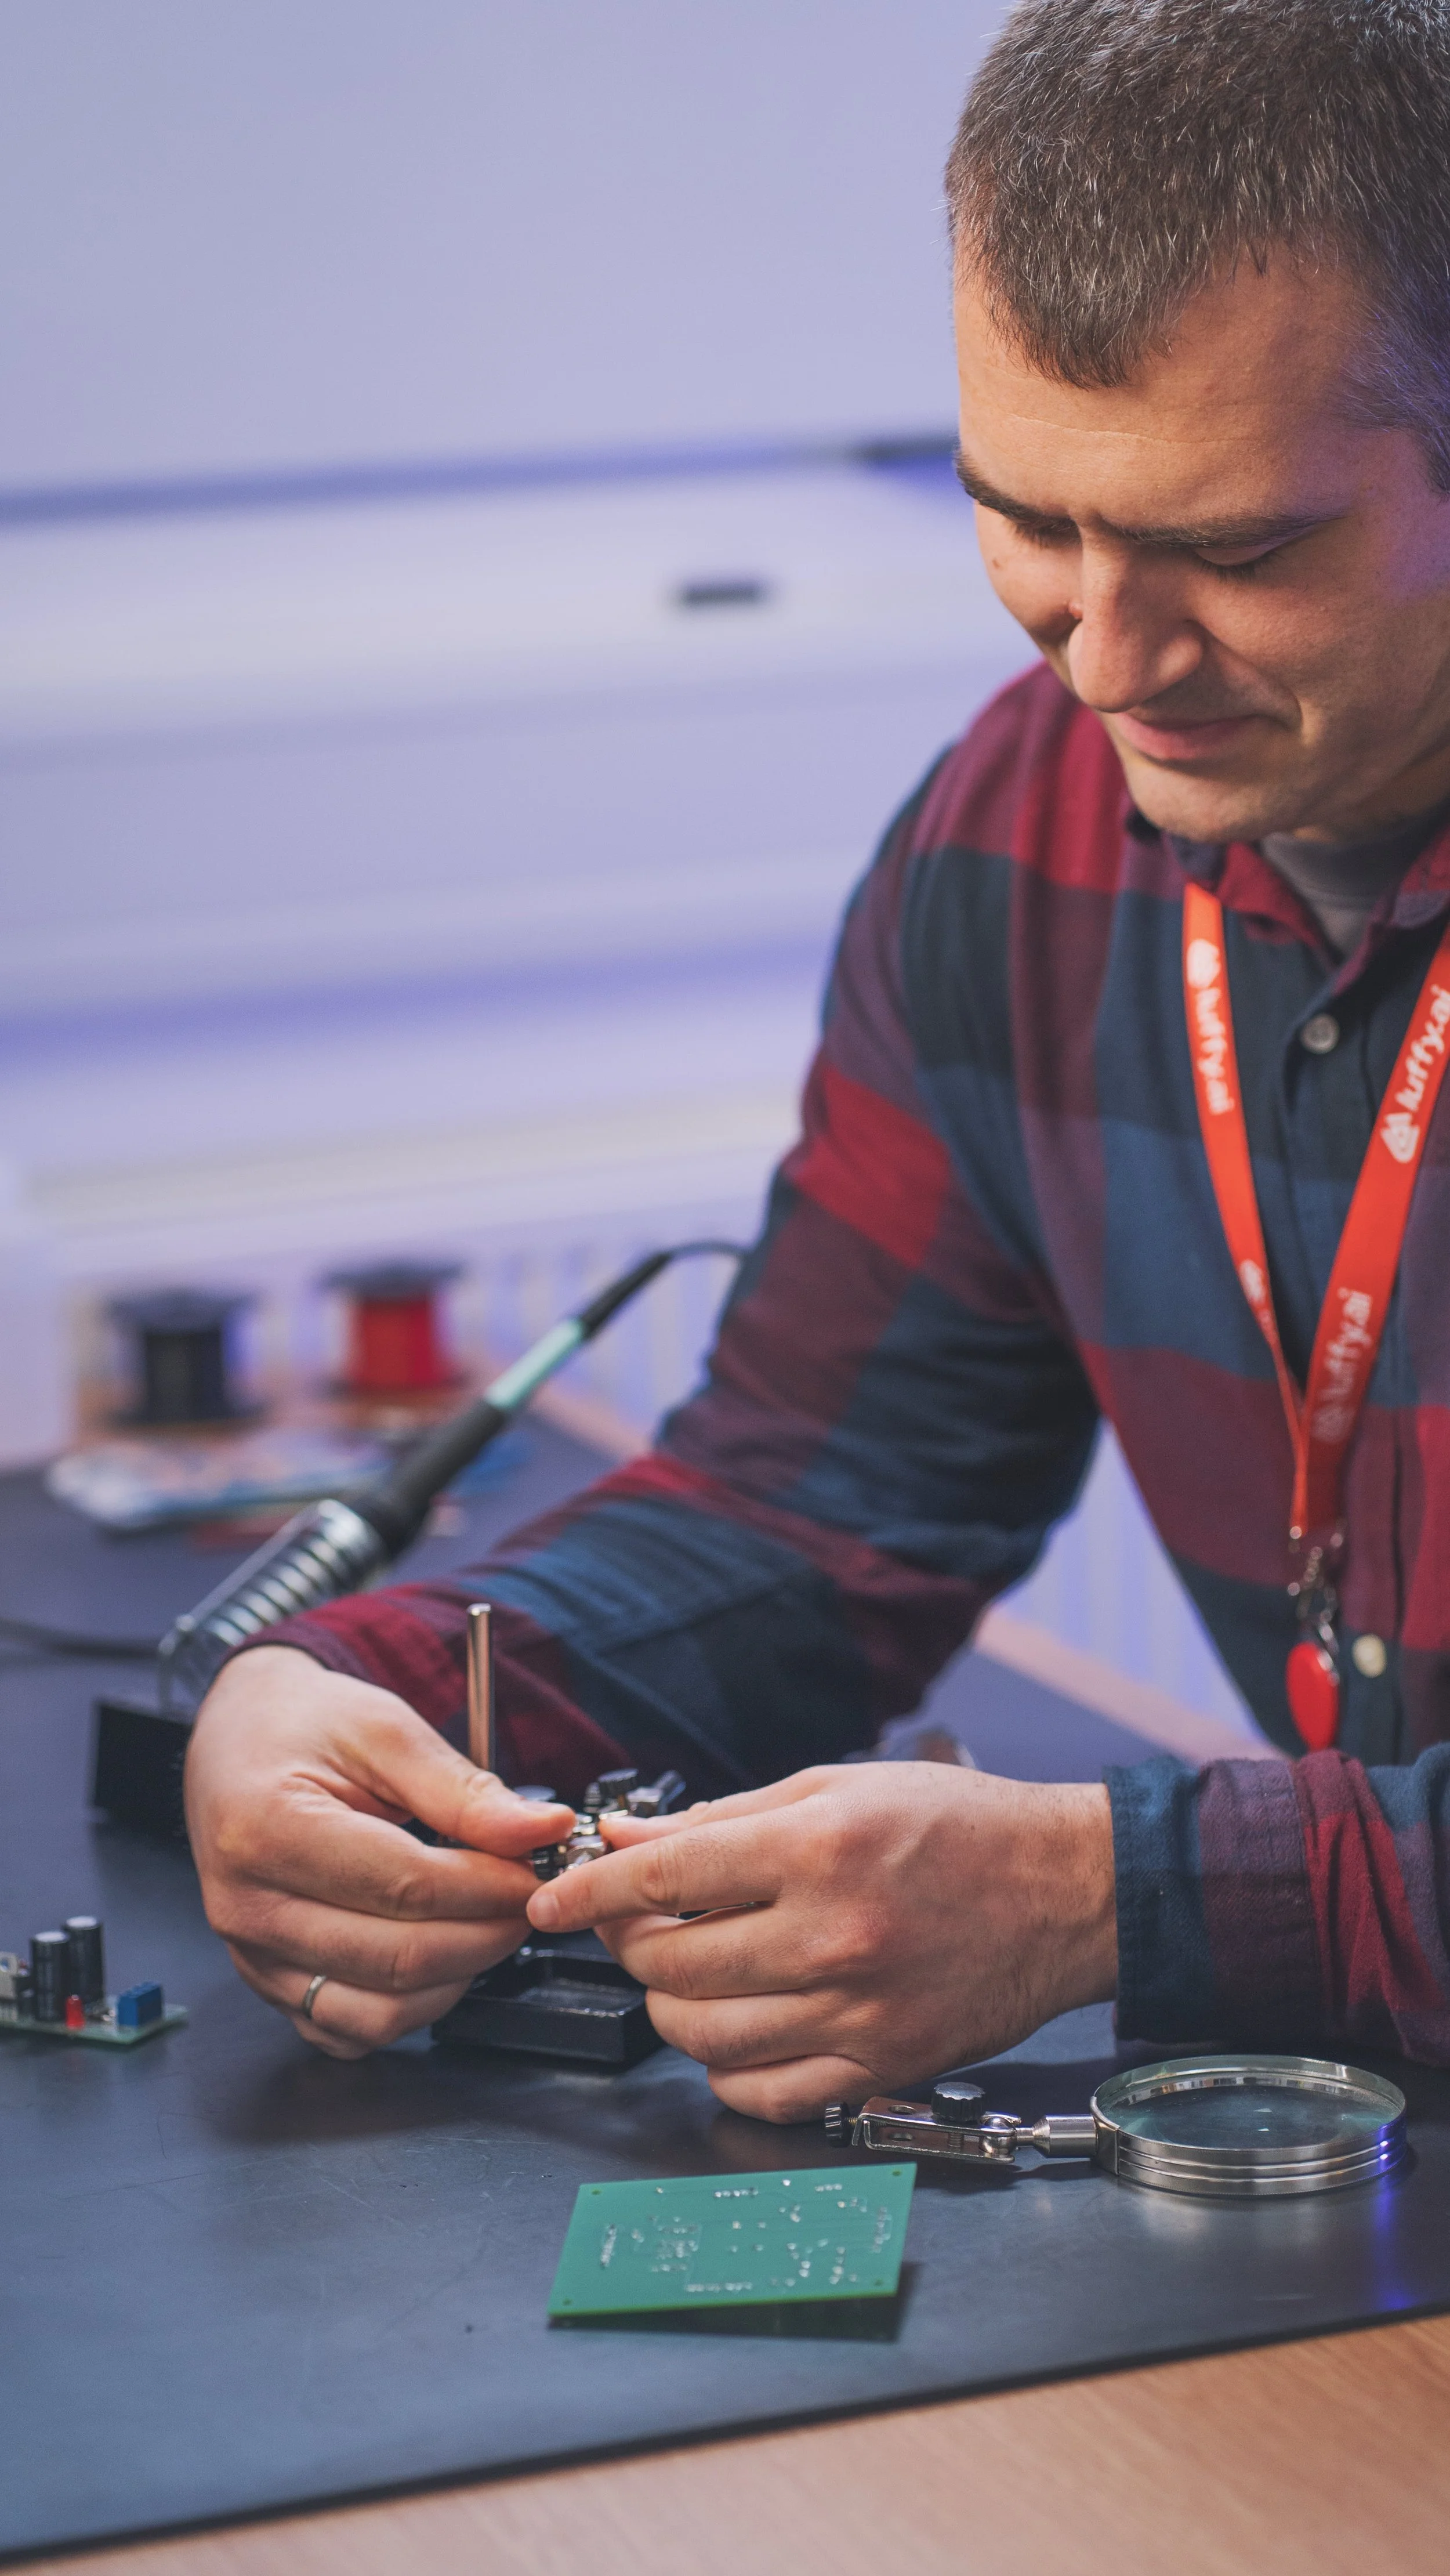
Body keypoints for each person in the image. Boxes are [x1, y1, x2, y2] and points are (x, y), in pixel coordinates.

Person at [186, 0, 1450, 2115]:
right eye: (1028, 522)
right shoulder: (1026, 824)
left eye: (1238, 554)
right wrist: (362, 1685)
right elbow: (816, 1504)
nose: (1110, 662)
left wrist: (1109, 1901)